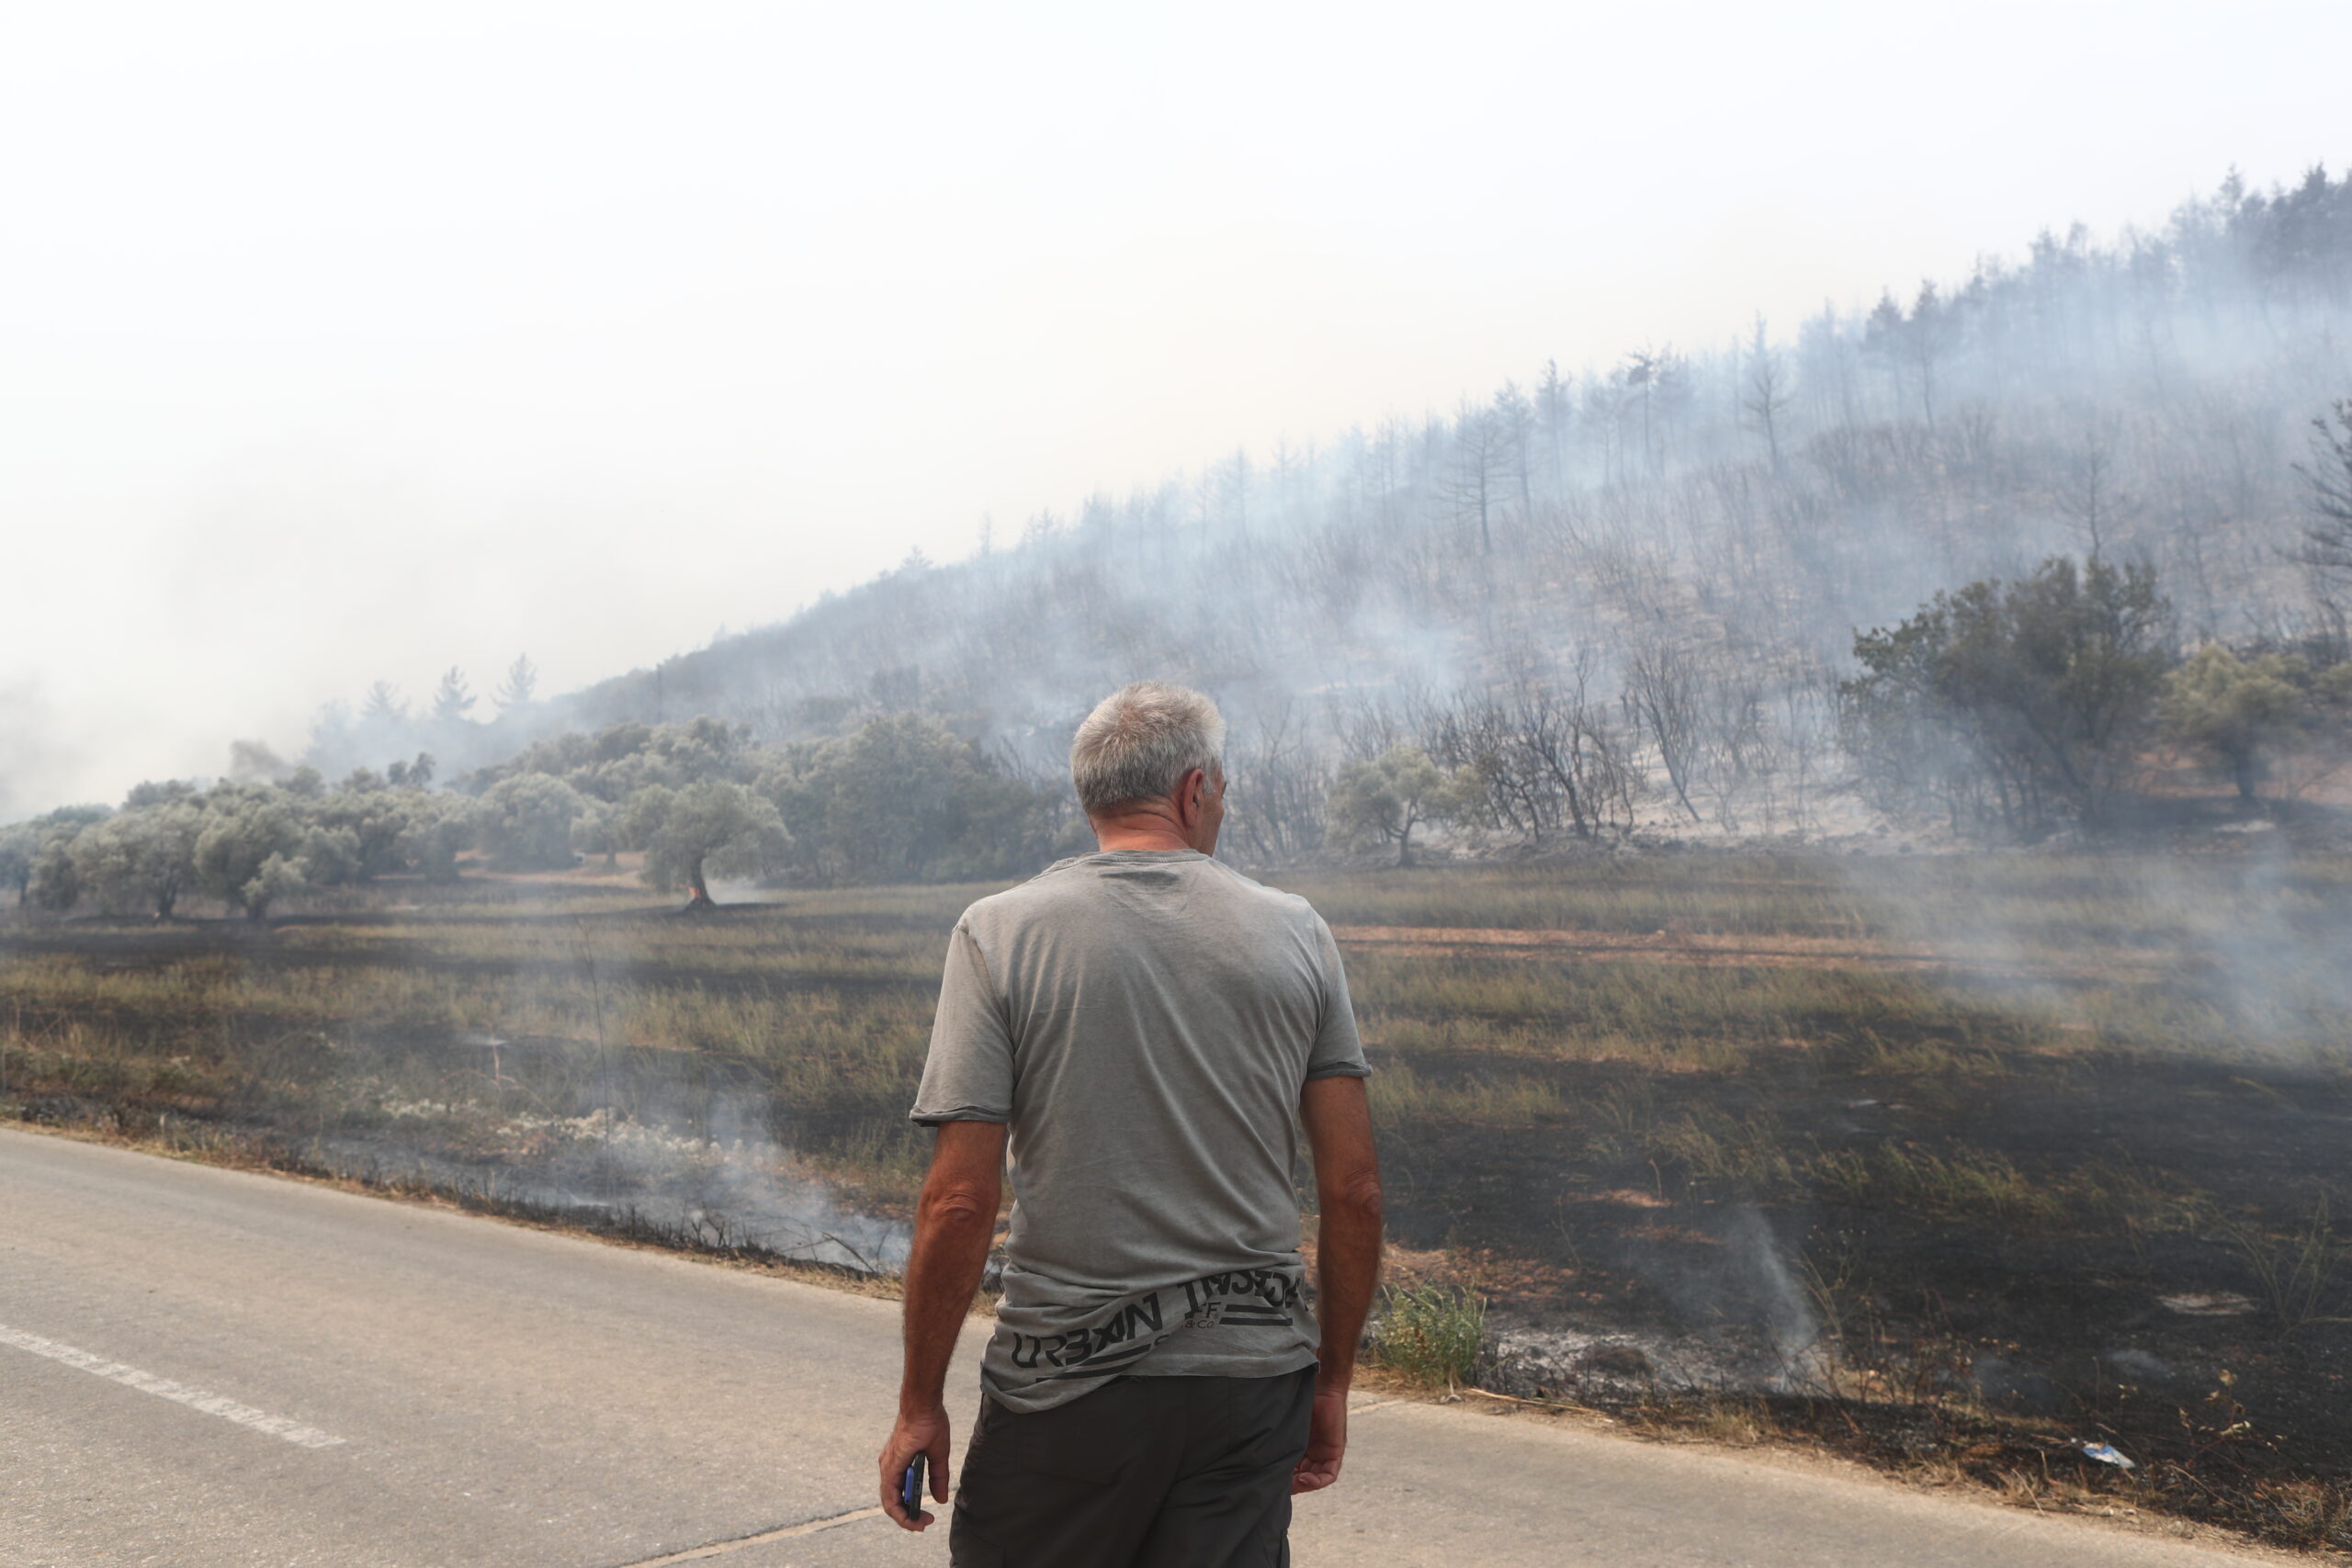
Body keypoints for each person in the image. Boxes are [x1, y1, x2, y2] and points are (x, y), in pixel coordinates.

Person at [876, 680, 1385, 1567]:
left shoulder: (999, 933)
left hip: (1064, 1394)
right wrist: (1331, 1379)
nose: (1220, 803)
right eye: (1220, 788)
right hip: (1252, 1386)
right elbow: (1354, 1188)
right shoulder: (1298, 931)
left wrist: (921, 1402)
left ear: (1093, 797)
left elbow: (959, 1200)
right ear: (1195, 790)